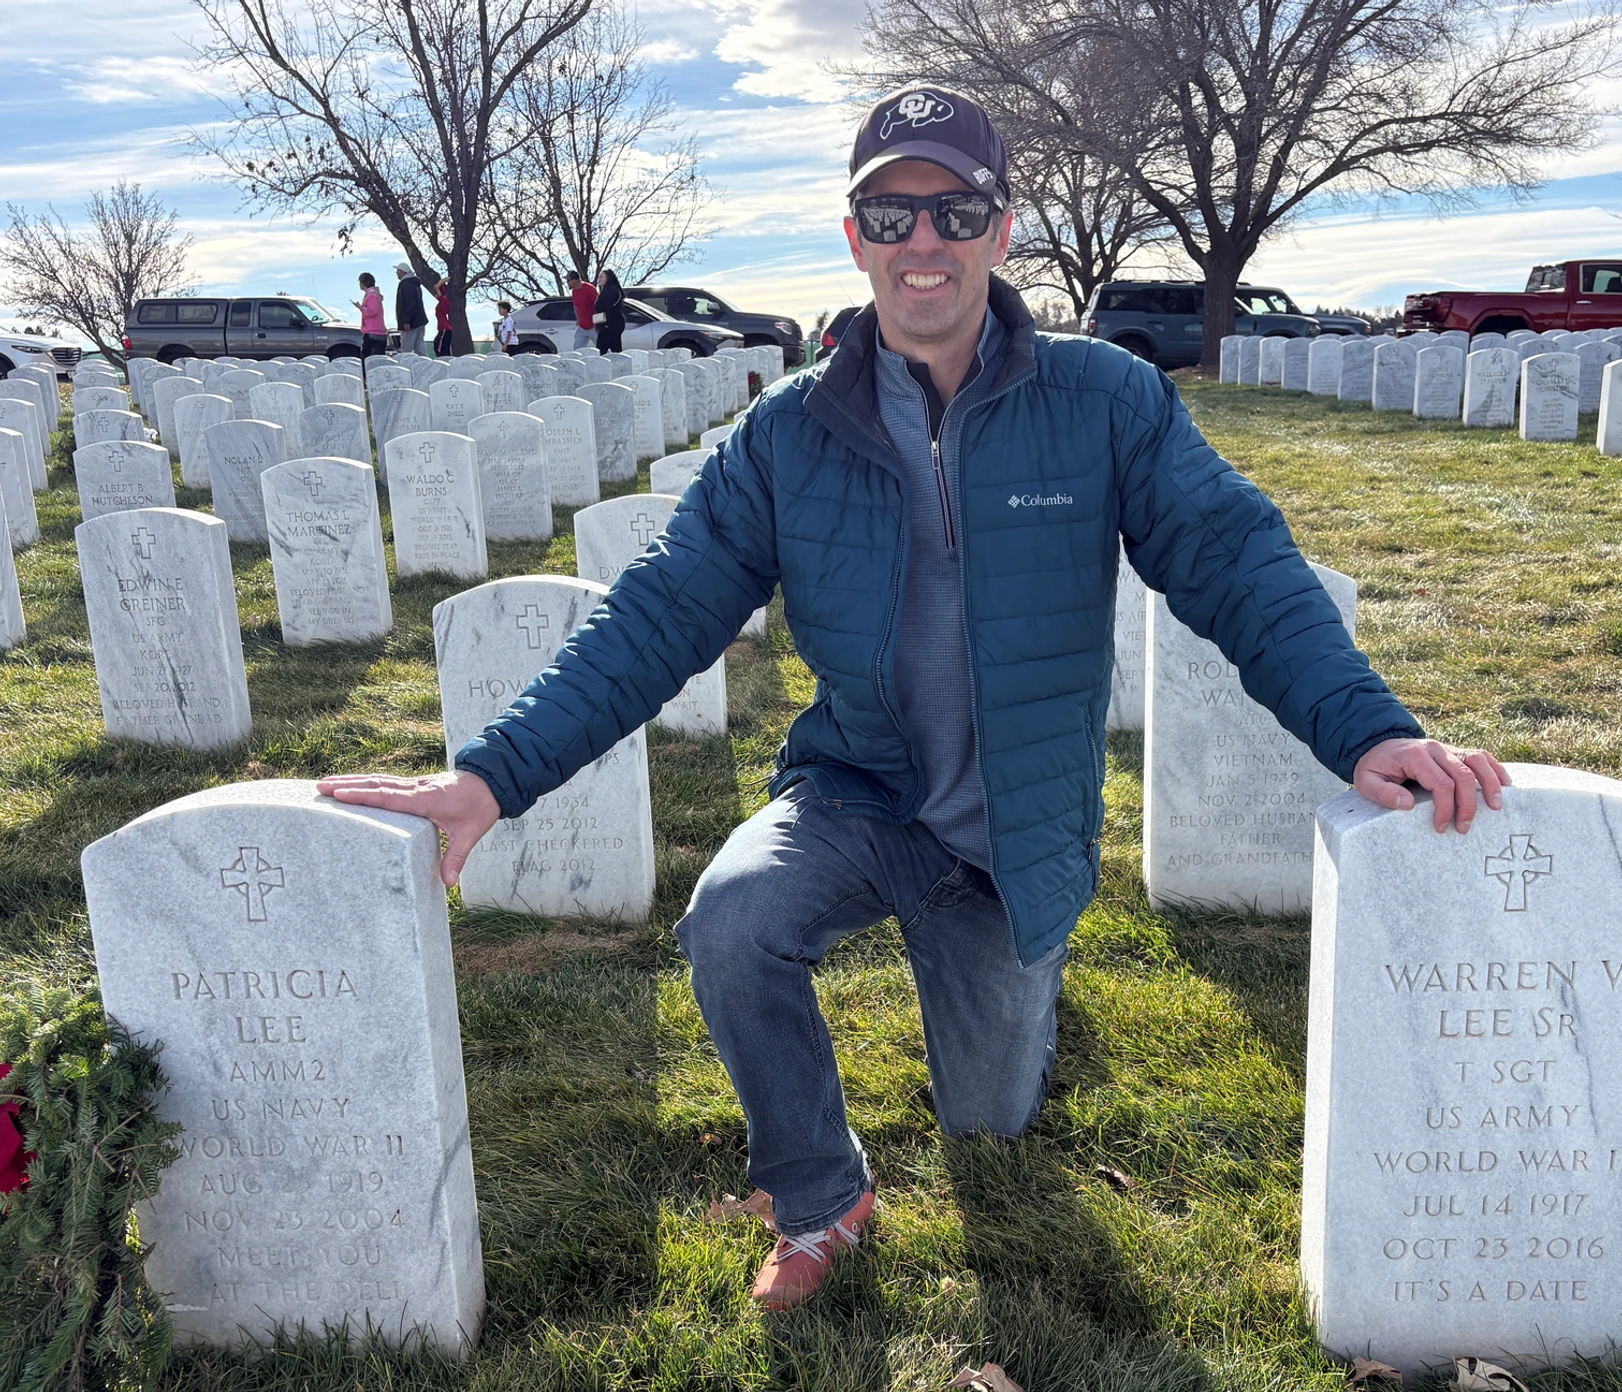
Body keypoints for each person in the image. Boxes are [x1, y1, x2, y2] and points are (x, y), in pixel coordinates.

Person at [319, 84, 1507, 1314]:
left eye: (955, 209)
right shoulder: (785, 437)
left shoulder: (1103, 401)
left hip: (1011, 827)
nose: (921, 239)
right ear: (855, 236)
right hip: (861, 788)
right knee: (729, 921)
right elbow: (658, 609)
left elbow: (1233, 558)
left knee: (987, 1117)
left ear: (1002, 231)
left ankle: (1025, 990)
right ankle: (821, 1195)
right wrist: (491, 773)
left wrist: (1366, 727)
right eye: (891, 212)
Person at [395, 263, 428, 357]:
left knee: (406, 349)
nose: (397, 273)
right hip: (419, 321)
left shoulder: (406, 284)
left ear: (403, 272)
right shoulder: (415, 284)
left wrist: (406, 321)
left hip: (411, 323)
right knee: (420, 347)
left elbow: (409, 303)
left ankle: (405, 368)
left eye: (398, 271)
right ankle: (426, 366)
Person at [593, 268, 625, 356]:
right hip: (611, 325)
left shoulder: (610, 290)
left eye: (601, 277)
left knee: (603, 351)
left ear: (608, 278)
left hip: (610, 325)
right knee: (614, 349)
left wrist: (605, 325)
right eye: (599, 277)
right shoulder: (608, 290)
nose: (599, 279)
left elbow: (608, 308)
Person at [357, 272, 386, 359]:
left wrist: (361, 308)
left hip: (372, 331)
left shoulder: (371, 296)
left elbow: (373, 311)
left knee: (367, 360)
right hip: (378, 331)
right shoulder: (374, 294)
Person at [569, 272, 596, 350]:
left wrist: (598, 323)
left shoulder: (589, 288)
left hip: (593, 326)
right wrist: (578, 319)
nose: (568, 283)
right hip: (582, 326)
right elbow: (576, 306)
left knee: (602, 347)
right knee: (577, 349)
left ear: (576, 279)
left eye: (569, 280)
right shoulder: (574, 291)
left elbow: (598, 305)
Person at [434, 278, 453, 357]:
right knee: (441, 347)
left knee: (440, 349)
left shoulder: (443, 301)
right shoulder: (442, 301)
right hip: (443, 329)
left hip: (444, 328)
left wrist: (441, 281)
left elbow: (436, 287)